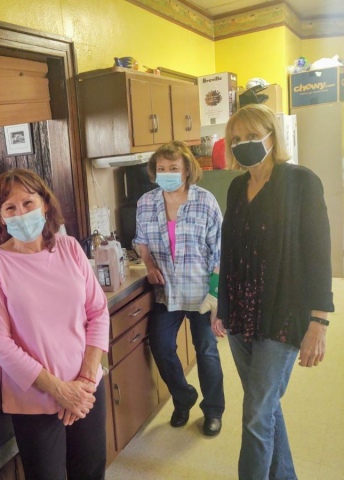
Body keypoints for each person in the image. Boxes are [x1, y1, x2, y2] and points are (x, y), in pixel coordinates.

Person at [215, 104, 333, 479]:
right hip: (241, 314)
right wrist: (222, 306)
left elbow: (318, 255)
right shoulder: (237, 187)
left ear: (272, 136)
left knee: (255, 413)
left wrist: (319, 322)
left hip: (282, 313)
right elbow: (230, 252)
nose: (244, 144)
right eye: (236, 139)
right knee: (263, 407)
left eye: (252, 136)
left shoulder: (301, 182)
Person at [0, 169, 109, 479]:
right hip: (35, 400)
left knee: (91, 473)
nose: (21, 213)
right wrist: (59, 390)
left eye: (28, 203)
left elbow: (98, 312)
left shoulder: (70, 247)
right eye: (10, 208)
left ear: (45, 204)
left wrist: (84, 382)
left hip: (87, 388)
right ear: (0, 217)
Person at [134, 141, 225, 437]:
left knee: (206, 351)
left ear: (186, 170)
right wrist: (149, 266)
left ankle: (213, 411)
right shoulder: (146, 202)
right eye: (161, 168)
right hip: (167, 291)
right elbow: (141, 241)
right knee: (161, 345)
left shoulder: (205, 202)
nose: (167, 173)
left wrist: (215, 295)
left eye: (173, 168)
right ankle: (183, 397)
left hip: (200, 291)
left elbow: (220, 252)